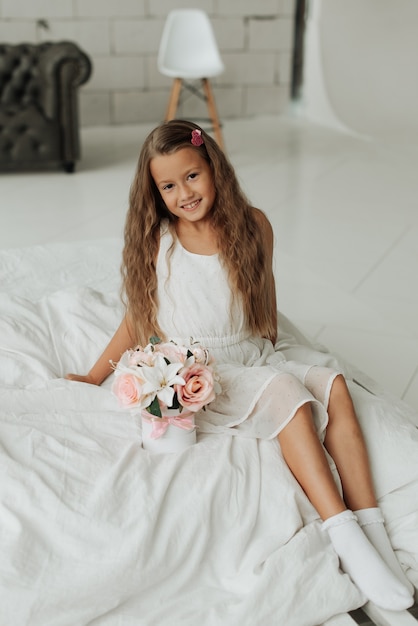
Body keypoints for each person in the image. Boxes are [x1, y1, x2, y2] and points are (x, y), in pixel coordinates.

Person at [66, 119, 414, 611]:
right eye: (168, 186)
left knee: (333, 383)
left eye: (192, 176)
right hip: (205, 366)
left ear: (214, 168)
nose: (183, 193)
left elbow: (264, 308)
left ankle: (372, 527)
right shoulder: (159, 242)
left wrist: (278, 352)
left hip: (252, 352)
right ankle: (343, 532)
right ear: (155, 193)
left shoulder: (254, 225)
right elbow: (136, 318)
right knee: (288, 397)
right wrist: (96, 373)